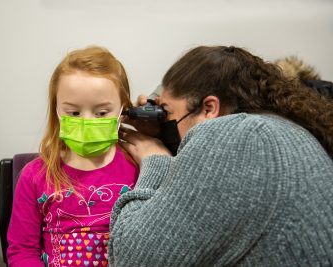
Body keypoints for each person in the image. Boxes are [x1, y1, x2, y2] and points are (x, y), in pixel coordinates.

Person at [109, 45, 333, 266]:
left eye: (166, 113)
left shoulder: (238, 138)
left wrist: (155, 159)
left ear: (209, 108)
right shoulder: (276, 130)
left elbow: (133, 258)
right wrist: (161, 133)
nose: (164, 121)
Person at [7, 46, 139, 267]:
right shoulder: (34, 176)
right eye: (74, 113)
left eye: (101, 113)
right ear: (57, 110)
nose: (87, 121)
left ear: (123, 110)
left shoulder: (140, 167)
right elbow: (22, 252)